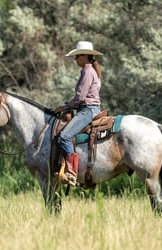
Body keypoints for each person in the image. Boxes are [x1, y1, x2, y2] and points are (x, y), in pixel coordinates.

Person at [54, 41, 103, 186]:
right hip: (90, 108)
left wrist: (64, 107)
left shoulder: (87, 71)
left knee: (64, 136)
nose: (76, 59)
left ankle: (71, 172)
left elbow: (81, 98)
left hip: (88, 110)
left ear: (86, 56)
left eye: (78, 56)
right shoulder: (89, 70)